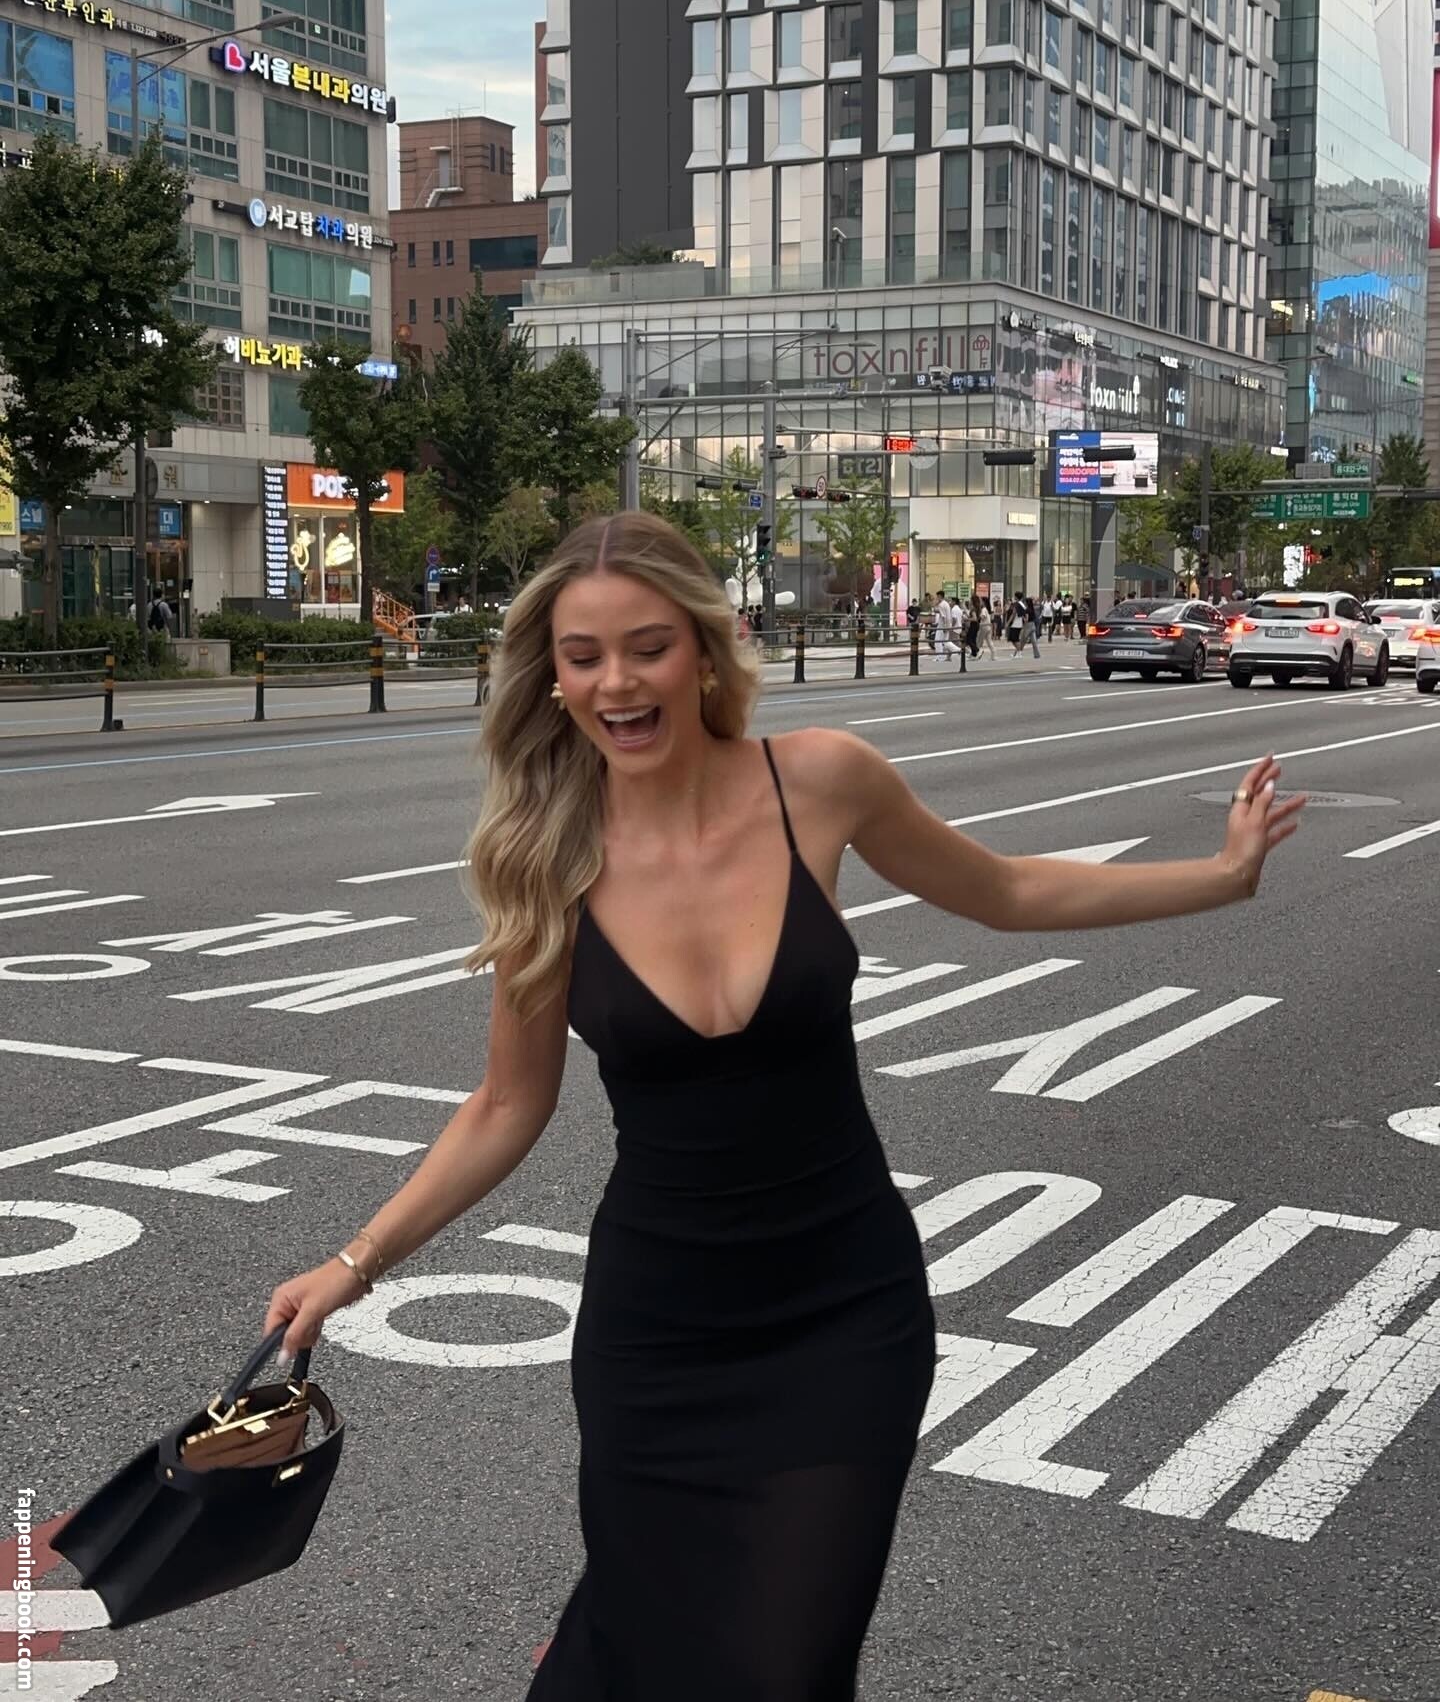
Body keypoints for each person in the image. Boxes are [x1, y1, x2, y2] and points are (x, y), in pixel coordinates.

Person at [263, 513, 1304, 1702]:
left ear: (703, 650)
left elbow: (1006, 889)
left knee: (787, 1663)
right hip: (657, 1332)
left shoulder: (819, 779)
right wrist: (354, 1261)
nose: (617, 682)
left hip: (842, 1314)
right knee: (649, 1644)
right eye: (584, 656)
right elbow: (509, 1102)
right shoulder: (546, 856)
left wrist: (1222, 876)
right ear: (551, 677)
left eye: (647, 646)